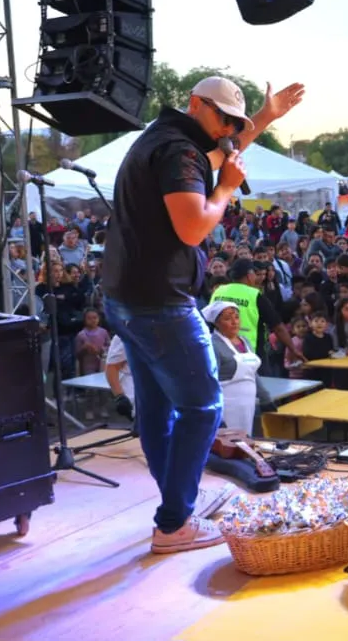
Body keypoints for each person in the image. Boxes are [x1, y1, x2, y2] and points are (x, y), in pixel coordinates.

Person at [102, 75, 304, 554]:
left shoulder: (165, 138)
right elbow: (194, 228)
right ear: (196, 105)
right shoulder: (179, 152)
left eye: (235, 122)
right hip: (160, 303)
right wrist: (228, 190)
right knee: (203, 405)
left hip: (126, 298)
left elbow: (219, 154)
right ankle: (174, 522)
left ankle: (177, 503)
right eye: (224, 119)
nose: (229, 129)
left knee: (155, 406)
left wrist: (266, 116)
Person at [202, 300, 264, 434]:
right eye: (227, 318)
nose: (234, 322)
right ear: (217, 323)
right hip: (228, 405)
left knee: (247, 438)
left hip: (248, 404)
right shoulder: (213, 345)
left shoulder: (245, 341)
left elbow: (252, 372)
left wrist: (264, 396)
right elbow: (209, 380)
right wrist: (216, 412)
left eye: (236, 317)